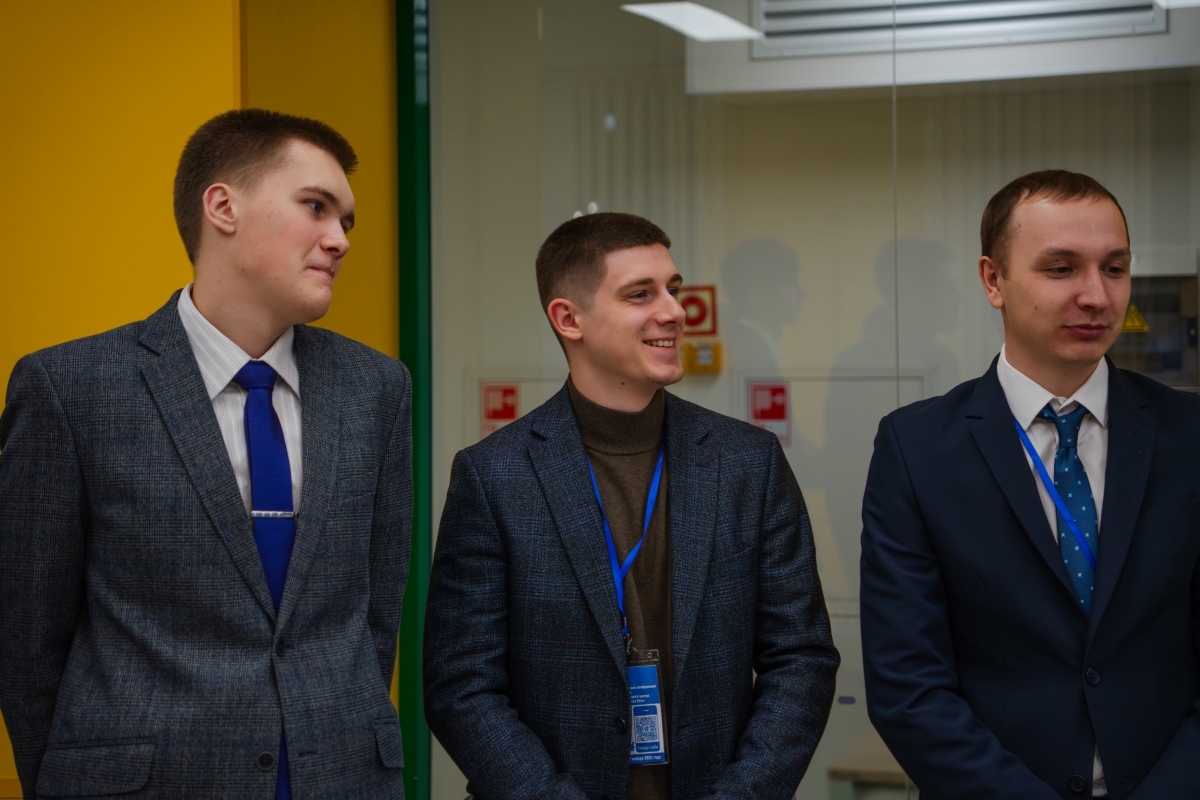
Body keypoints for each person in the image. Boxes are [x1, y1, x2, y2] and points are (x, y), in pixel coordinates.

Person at [0, 109, 411, 799]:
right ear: (222, 207)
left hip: (343, 777)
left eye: (346, 221)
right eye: (316, 207)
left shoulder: (377, 388)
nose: (339, 239)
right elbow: (27, 634)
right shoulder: (70, 387)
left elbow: (377, 609)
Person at [424, 212, 839, 800]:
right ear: (569, 319)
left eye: (673, 289)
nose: (674, 311)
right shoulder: (495, 475)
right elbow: (461, 687)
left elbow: (801, 658)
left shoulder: (748, 462)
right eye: (640, 294)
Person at [861, 170, 1200, 799]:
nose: (1096, 295)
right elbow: (908, 686)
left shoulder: (1189, 434)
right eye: (1061, 268)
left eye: (1115, 268)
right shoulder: (917, 449)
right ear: (994, 280)